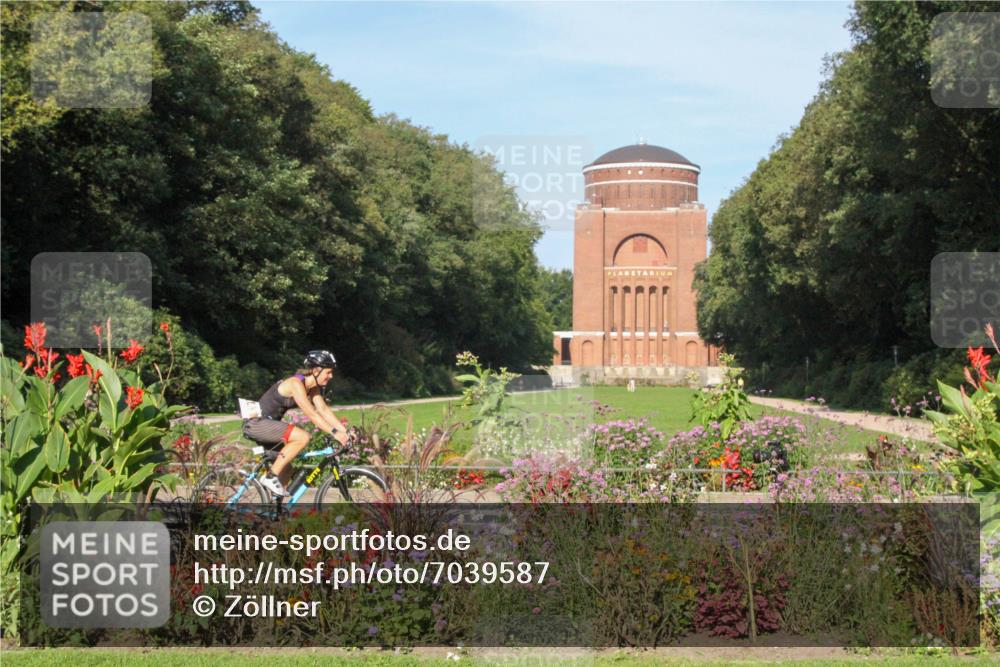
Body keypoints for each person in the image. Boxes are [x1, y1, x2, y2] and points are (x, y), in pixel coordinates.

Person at [242, 350, 349, 496]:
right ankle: (270, 477)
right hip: (256, 423)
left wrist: (344, 431)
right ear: (316, 370)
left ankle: (274, 508)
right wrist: (335, 433)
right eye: (328, 372)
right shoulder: (295, 384)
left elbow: (323, 409)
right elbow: (312, 414)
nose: (331, 376)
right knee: (302, 437)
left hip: (267, 425)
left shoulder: (312, 388)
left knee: (286, 470)